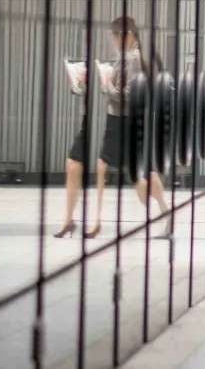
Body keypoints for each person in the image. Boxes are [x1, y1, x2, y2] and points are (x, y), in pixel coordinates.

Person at [55, 15, 173, 239]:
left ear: (126, 35)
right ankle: (163, 213)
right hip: (122, 120)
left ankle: (100, 221)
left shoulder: (135, 58)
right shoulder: (130, 56)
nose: (113, 41)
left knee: (118, 169)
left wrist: (107, 84)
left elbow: (129, 93)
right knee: (129, 170)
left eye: (115, 37)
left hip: (122, 121)